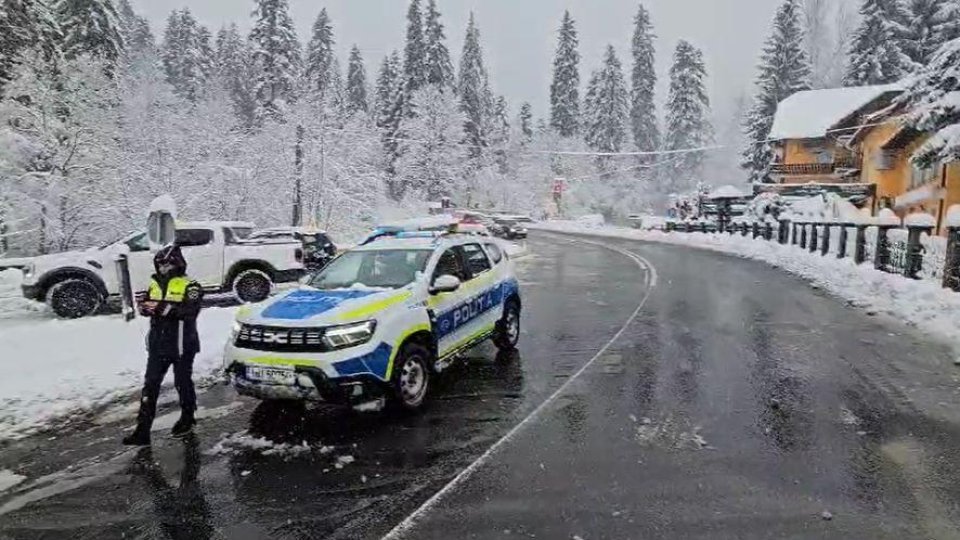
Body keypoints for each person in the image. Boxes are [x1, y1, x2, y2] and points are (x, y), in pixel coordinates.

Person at [123, 245, 204, 446]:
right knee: (150, 385)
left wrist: (164, 308)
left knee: (182, 382)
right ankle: (142, 430)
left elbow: (190, 310)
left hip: (182, 344)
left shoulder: (191, 285)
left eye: (167, 264)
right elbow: (153, 305)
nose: (163, 268)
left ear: (177, 263)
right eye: (160, 264)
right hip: (158, 343)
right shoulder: (155, 283)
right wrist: (145, 306)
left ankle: (188, 417)